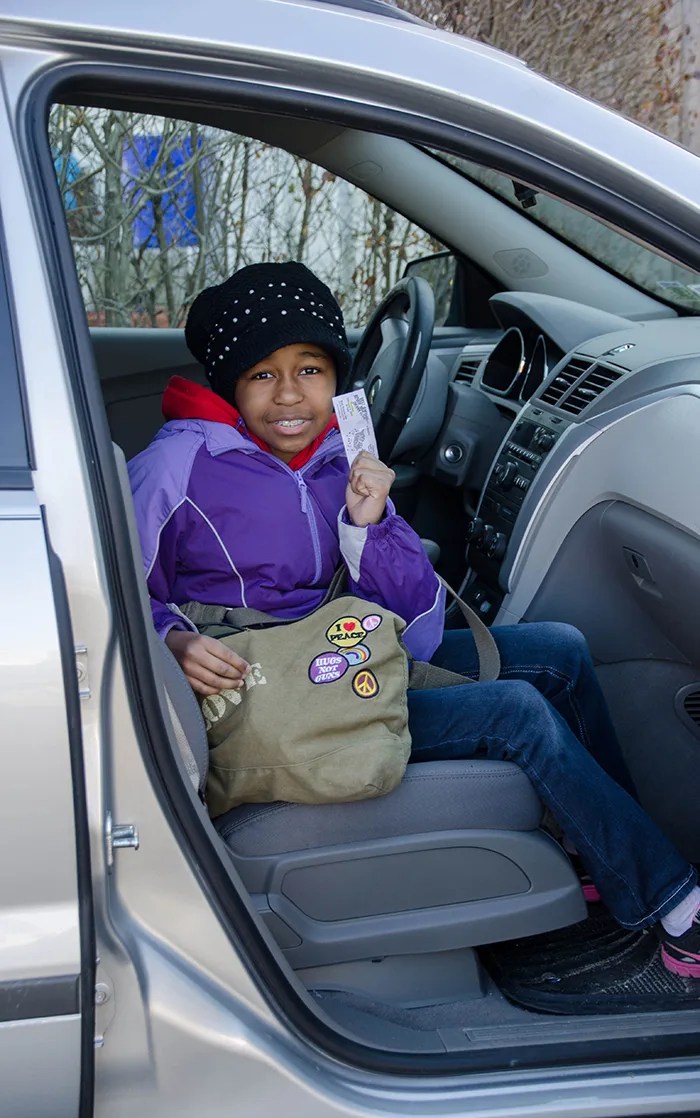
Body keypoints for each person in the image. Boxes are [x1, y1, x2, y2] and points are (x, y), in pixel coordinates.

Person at [128, 261, 700, 981]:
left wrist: (368, 524)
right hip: (262, 697)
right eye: (262, 375)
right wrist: (171, 639)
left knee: (557, 651)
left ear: (336, 376)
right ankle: (674, 907)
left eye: (310, 368)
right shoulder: (176, 465)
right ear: (230, 386)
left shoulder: (342, 458)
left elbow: (418, 630)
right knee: (515, 711)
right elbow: (108, 590)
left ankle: (600, 847)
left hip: (339, 658)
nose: (291, 395)